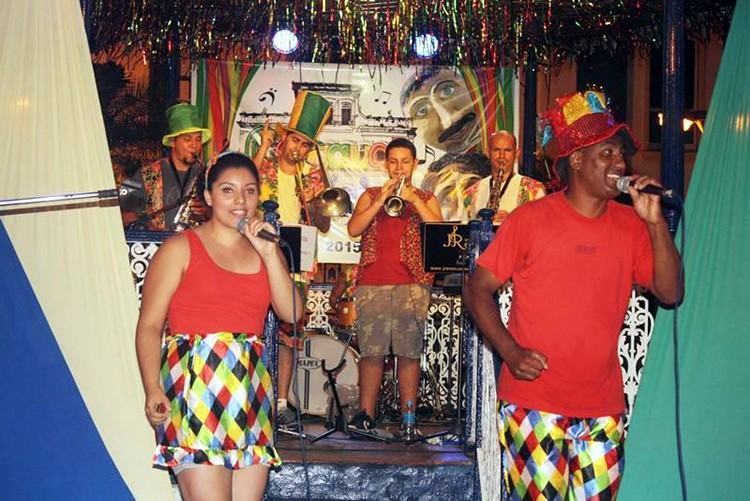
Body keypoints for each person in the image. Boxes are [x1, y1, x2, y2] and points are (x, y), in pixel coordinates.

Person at [466, 91, 682, 500]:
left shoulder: (633, 225)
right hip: (534, 402)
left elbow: (670, 293)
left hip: (602, 407)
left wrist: (654, 223)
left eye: (620, 154)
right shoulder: (531, 220)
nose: (620, 163)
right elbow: (477, 288)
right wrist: (510, 352)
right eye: (607, 153)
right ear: (577, 160)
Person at [135, 152, 302, 500]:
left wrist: (270, 255)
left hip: (249, 388)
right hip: (196, 385)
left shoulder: (266, 250)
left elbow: (292, 313)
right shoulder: (180, 248)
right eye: (228, 190)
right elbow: (150, 325)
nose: (240, 201)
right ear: (209, 196)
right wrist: (153, 387)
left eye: (250, 191)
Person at [347, 137, 443, 434]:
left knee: (408, 352)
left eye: (405, 162)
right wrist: (379, 202)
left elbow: (439, 232)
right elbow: (353, 230)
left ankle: (409, 419)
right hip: (372, 282)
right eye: (393, 162)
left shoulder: (426, 198)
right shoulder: (371, 194)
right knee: (372, 352)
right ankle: (366, 415)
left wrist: (413, 200)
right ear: (385, 164)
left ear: (415, 164)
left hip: (413, 283)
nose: (399, 167)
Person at [251, 90, 333, 429]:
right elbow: (246, 184)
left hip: (295, 262)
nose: (298, 149)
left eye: (305, 145)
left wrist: (314, 199)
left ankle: (282, 404)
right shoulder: (264, 164)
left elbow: (325, 224)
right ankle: (256, 399)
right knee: (256, 328)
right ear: (283, 139)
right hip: (258, 257)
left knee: (288, 336)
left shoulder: (311, 178)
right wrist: (261, 146)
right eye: (295, 141)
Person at [121, 103, 211, 230]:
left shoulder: (208, 176)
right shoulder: (145, 173)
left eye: (198, 139)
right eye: (187, 139)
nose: (194, 145)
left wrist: (210, 212)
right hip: (156, 247)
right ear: (173, 142)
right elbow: (123, 213)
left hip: (195, 246)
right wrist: (147, 229)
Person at [468, 130, 546, 224]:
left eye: (507, 150)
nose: (502, 156)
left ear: (517, 153)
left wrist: (512, 221)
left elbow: (541, 227)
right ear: (487, 152)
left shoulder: (535, 190)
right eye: (496, 150)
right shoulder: (472, 192)